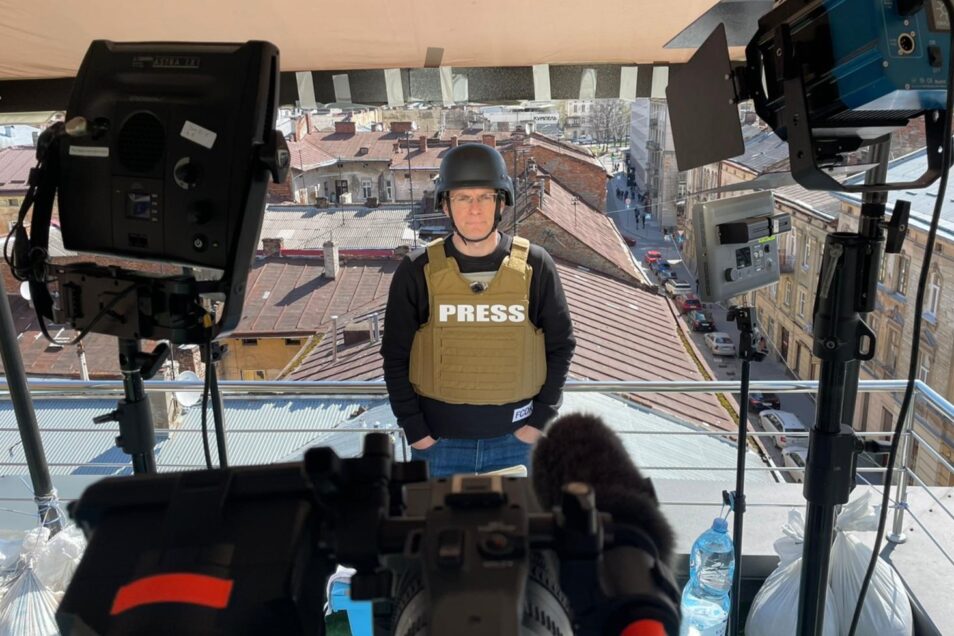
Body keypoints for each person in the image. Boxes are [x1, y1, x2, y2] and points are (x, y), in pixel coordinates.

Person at [381, 143, 576, 477]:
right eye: (462, 197)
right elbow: (395, 357)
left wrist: (539, 422)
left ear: (501, 202)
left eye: (485, 197)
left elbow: (561, 346)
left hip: (517, 442)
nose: (474, 210)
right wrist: (418, 433)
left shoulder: (535, 264)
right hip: (439, 445)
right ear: (445, 206)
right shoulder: (417, 269)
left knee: (518, 530)